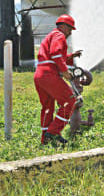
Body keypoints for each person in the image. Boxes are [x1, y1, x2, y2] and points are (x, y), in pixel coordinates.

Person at [34, 14, 82, 145]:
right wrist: (65, 72)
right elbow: (55, 54)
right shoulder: (59, 35)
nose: (70, 33)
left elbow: (54, 55)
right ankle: (53, 132)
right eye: (70, 29)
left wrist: (71, 56)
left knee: (47, 107)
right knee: (70, 100)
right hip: (49, 74)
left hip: (40, 74)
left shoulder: (51, 35)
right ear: (63, 26)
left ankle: (45, 139)